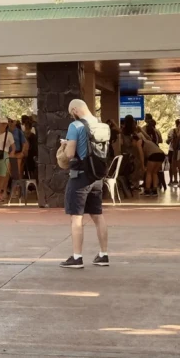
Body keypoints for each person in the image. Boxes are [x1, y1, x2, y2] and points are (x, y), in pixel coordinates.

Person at [59, 99, 110, 269]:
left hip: (80, 175)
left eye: (71, 112)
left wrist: (64, 145)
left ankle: (77, 257)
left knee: (76, 217)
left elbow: (71, 153)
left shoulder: (76, 126)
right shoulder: (101, 125)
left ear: (75, 110)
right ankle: (103, 255)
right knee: (97, 215)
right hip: (97, 176)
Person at [140, 127, 165, 196]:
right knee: (154, 173)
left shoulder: (139, 143)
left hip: (153, 155)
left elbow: (141, 155)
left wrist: (142, 166)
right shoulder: (147, 141)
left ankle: (147, 190)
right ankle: (154, 190)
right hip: (161, 154)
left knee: (148, 172)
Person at [166, 119, 180, 186]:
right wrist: (172, 138)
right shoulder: (172, 131)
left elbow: (167, 141)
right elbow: (167, 141)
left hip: (176, 150)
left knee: (177, 166)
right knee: (172, 166)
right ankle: (172, 180)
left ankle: (176, 180)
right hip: (173, 150)